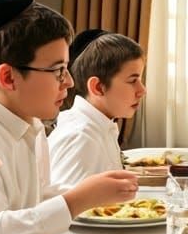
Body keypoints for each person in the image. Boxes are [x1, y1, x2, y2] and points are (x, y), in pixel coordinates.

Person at [0, 0, 139, 234]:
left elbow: (35, 201)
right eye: (57, 70)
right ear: (9, 77)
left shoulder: (32, 126)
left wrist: (92, 194)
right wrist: (76, 199)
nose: (69, 82)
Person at [48, 29, 147, 185]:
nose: (142, 90)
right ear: (98, 87)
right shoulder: (80, 137)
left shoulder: (101, 127)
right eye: (132, 81)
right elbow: (64, 205)